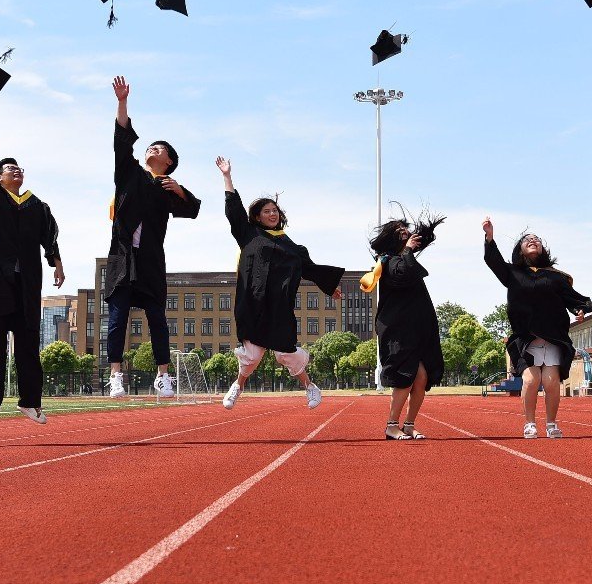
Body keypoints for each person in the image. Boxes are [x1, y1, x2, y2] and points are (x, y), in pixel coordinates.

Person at [0, 104, 65, 427]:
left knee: (28, 345)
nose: (16, 171)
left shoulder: (36, 205)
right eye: (10, 168)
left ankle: (30, 402)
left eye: (19, 168)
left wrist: (57, 263)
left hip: (27, 285)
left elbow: (50, 235)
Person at [216, 157, 343, 410]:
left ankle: (309, 386)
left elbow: (310, 269)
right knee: (252, 355)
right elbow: (233, 211)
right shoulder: (248, 234)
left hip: (278, 306)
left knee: (285, 353)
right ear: (257, 216)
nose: (272, 214)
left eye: (275, 210)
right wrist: (227, 177)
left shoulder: (292, 246)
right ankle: (238, 385)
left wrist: (330, 287)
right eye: (266, 211)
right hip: (251, 302)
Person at [104, 76, 201, 400]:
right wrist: (122, 102)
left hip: (150, 262)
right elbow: (121, 141)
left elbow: (193, 210)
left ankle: (164, 377)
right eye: (149, 146)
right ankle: (115, 375)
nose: (151, 149)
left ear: (169, 161)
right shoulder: (130, 173)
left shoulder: (167, 187)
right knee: (117, 319)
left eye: (158, 148)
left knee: (158, 320)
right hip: (121, 258)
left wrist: (182, 192)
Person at [483, 219, 592, 439]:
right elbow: (494, 262)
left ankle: (551, 424)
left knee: (551, 382)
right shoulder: (512, 273)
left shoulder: (555, 276)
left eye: (537, 240)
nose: (533, 241)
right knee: (531, 380)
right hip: (526, 337)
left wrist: (580, 309)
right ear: (520, 250)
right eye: (527, 240)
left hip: (552, 337)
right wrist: (489, 238)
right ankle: (530, 423)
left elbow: (574, 298)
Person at [363, 212, 445, 440]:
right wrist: (408, 249)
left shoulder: (404, 255)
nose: (405, 233)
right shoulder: (387, 262)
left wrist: (416, 241)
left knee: (421, 378)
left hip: (419, 329)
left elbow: (421, 242)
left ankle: (408, 424)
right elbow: (404, 273)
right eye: (400, 231)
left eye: (405, 230)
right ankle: (391, 425)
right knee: (404, 377)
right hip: (398, 330)